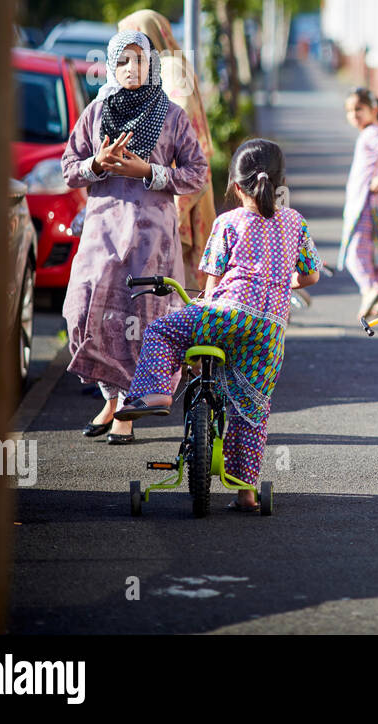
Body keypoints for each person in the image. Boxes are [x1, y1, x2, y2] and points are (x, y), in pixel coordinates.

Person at [116, 139, 322, 511]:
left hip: (227, 313)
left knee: (163, 330)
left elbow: (211, 289)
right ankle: (245, 493)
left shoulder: (228, 222)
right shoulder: (295, 222)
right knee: (251, 409)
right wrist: (280, 283)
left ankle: (156, 393)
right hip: (269, 332)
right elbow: (310, 276)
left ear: (236, 186)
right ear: (280, 184)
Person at [62, 30, 210, 444]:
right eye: (123, 61)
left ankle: (126, 407)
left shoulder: (171, 114)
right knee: (83, 312)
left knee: (141, 322)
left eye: (139, 60)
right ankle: (110, 397)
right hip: (102, 232)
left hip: (151, 235)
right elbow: (69, 167)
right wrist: (97, 162)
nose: (132, 69)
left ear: (152, 65)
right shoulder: (95, 111)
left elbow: (197, 172)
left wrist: (147, 172)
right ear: (110, 65)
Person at [117, 9, 217, 293]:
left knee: (176, 264)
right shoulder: (170, 62)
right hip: (175, 172)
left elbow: (180, 117)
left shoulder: (170, 66)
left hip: (177, 171)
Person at [339, 87, 378, 320]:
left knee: (354, 254)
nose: (353, 114)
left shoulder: (370, 134)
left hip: (363, 205)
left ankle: (369, 290)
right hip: (373, 203)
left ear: (373, 109)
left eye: (358, 109)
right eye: (349, 110)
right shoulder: (372, 133)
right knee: (377, 255)